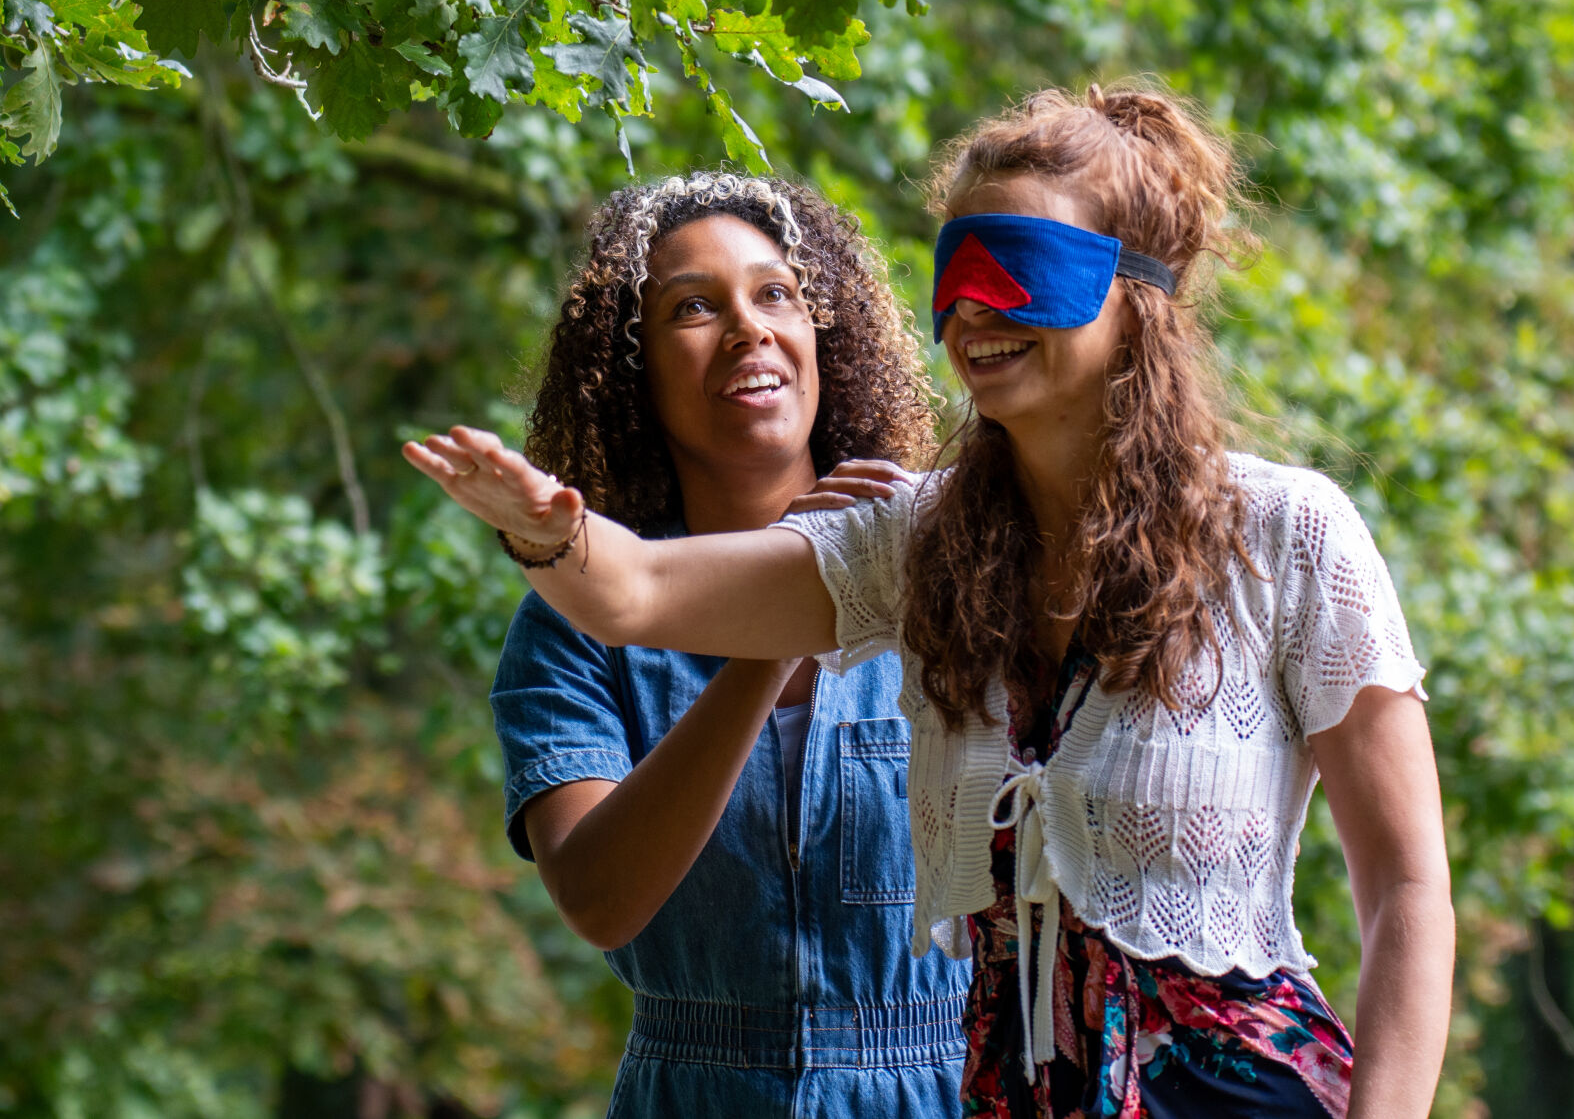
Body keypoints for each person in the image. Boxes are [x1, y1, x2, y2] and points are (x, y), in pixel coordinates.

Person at [406, 84, 1454, 1119]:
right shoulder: (914, 547)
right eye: (956, 274)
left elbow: (1407, 888)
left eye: (1019, 268)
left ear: (1132, 291)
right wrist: (546, 529)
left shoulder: (1285, 534)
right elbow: (630, 590)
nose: (975, 308)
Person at [488, 172, 971, 1117]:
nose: (749, 327)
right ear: (631, 370)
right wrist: (779, 628)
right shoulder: (575, 627)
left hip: (950, 1085)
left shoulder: (952, 572)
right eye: (694, 307)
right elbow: (598, 899)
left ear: (825, 335)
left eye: (776, 293)